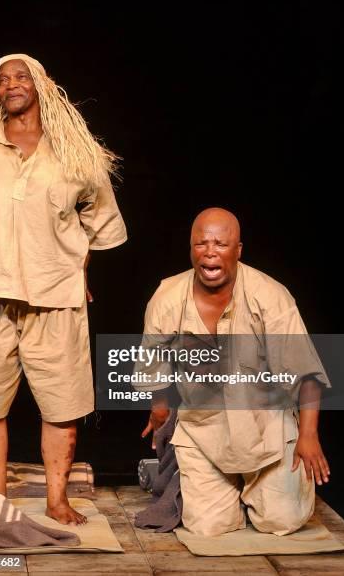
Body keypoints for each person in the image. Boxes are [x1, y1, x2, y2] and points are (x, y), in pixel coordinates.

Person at [0, 53, 127, 525]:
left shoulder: (75, 153)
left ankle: (57, 498)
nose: (11, 84)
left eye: (21, 76)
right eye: (3, 79)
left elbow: (100, 219)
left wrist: (79, 269)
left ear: (42, 85)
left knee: (62, 399)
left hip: (56, 293)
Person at [137, 207, 330, 537]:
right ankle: (188, 480)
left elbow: (306, 371)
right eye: (201, 243)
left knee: (282, 521)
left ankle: (257, 491)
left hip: (266, 428)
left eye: (221, 244)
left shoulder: (270, 296)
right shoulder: (168, 298)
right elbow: (153, 362)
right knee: (209, 527)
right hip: (204, 430)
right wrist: (159, 411)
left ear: (237, 251)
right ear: (191, 248)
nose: (210, 252)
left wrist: (309, 436)